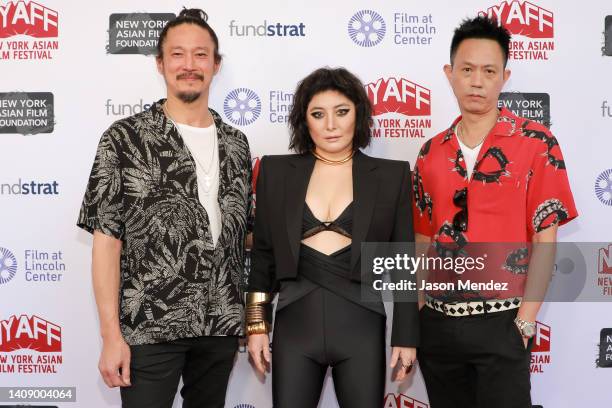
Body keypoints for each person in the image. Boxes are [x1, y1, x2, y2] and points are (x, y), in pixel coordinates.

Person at [77, 8, 252, 408]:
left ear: (216, 64)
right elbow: (107, 243)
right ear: (160, 64)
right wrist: (111, 337)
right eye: (177, 54)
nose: (189, 65)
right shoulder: (124, 139)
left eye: (200, 55)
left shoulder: (237, 144)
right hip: (148, 327)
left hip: (220, 324)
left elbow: (246, 237)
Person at [412, 16, 578, 408]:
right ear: (450, 74)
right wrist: (420, 310)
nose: (477, 81)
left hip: (504, 324)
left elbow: (545, 238)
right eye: (467, 70)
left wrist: (525, 319)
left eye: (488, 71)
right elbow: (421, 238)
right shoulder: (430, 152)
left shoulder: (536, 143)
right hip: (438, 326)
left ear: (504, 76)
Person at [246, 67, 419, 408]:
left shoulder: (391, 175)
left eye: (342, 112)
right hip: (295, 324)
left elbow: (403, 263)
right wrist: (255, 325)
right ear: (303, 121)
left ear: (359, 115)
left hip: (362, 324)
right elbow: (263, 256)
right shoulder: (275, 172)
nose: (331, 125)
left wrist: (406, 336)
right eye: (318, 114)